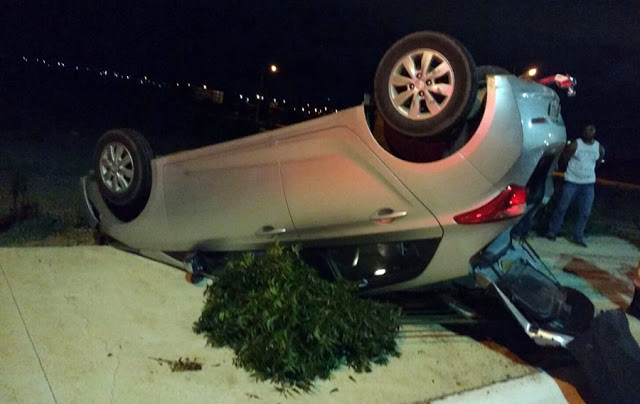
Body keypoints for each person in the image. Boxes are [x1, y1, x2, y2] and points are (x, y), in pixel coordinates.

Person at [545, 125, 604, 247]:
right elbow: (565, 159)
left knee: (585, 212)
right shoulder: (575, 145)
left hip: (588, 184)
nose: (590, 131)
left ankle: (578, 236)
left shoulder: (599, 148)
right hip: (572, 182)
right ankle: (552, 231)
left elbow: (598, 163)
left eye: (592, 129)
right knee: (562, 208)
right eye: (587, 129)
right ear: (583, 131)